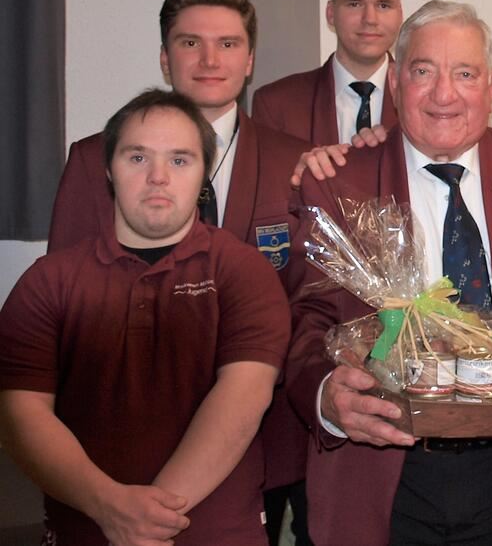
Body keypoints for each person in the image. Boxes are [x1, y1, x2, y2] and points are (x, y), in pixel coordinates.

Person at [288, 0, 492, 545]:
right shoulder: (337, 182)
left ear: (491, 86)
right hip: (384, 467)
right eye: (424, 72)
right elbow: (305, 318)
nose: (444, 94)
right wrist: (326, 394)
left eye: (465, 74)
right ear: (396, 81)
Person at [46, 0, 318, 546]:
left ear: (249, 60)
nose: (210, 59)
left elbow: (312, 297)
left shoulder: (298, 162)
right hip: (125, 442)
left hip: (262, 437)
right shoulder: (92, 158)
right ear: (165, 58)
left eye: (227, 43)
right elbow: (67, 310)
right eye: (190, 43)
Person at [0, 89, 289, 545]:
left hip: (215, 533)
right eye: (137, 158)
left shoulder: (243, 271)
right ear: (108, 171)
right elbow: (20, 414)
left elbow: (243, 398)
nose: (158, 177)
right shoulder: (49, 281)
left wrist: (145, 522)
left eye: (179, 160)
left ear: (203, 174)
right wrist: (108, 506)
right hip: (84, 530)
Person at [253, 0, 402, 144]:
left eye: (383, 5)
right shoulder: (276, 105)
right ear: (331, 14)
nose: (370, 19)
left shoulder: (428, 102)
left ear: (400, 14)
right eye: (355, 4)